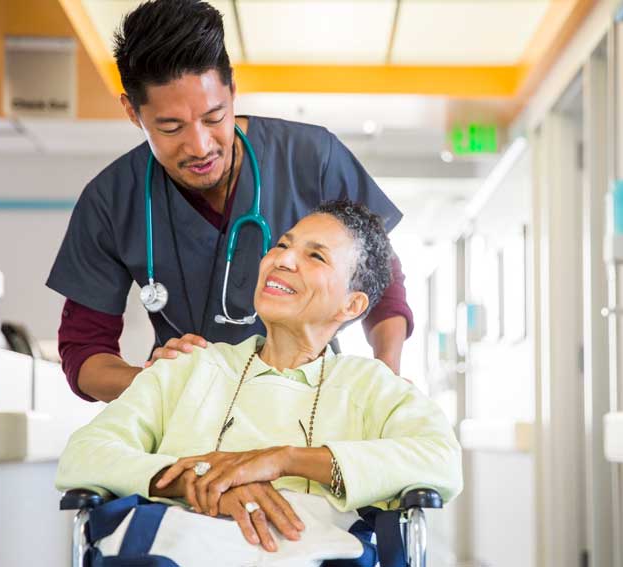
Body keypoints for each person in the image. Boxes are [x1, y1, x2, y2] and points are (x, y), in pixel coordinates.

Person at [46, 0, 414, 404]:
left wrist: (386, 375)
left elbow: (381, 276)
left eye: (213, 117)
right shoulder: (110, 201)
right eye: (171, 127)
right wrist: (159, 386)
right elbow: (83, 351)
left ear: (232, 90)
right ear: (133, 112)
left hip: (309, 405)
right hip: (184, 421)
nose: (200, 146)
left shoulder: (312, 159)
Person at [55, 201, 462, 559]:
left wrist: (280, 459)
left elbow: (441, 460)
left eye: (316, 257)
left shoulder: (368, 384)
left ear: (350, 304)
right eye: (282, 245)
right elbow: (84, 453)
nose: (282, 261)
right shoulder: (189, 367)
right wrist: (199, 481)